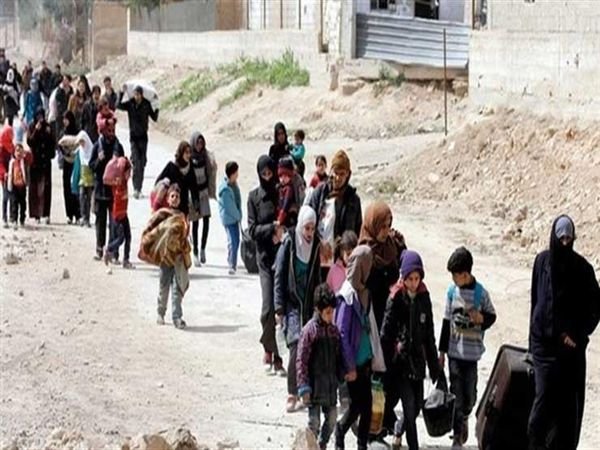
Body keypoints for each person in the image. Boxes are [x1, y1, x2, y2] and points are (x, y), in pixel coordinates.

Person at [528, 215, 600, 450]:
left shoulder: (582, 269)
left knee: (567, 411)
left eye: (569, 239)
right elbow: (535, 302)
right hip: (543, 347)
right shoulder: (542, 262)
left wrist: (577, 335)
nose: (565, 244)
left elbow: (595, 308)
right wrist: (531, 345)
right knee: (541, 405)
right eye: (561, 239)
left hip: (569, 353)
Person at [380, 250, 440, 450]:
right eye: (410, 279)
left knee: (415, 408)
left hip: (418, 362)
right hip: (401, 364)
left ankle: (398, 430)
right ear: (404, 278)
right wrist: (382, 364)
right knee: (409, 406)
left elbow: (429, 336)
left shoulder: (424, 297)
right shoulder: (396, 297)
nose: (414, 283)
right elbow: (386, 334)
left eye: (417, 278)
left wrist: (435, 368)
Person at [438, 246, 497, 450]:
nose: (454, 280)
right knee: (456, 394)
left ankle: (465, 417)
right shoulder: (452, 292)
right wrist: (442, 353)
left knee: (470, 395)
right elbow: (446, 322)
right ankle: (456, 435)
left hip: (472, 355)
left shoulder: (480, 294)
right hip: (455, 353)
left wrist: (481, 318)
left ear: (465, 274)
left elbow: (492, 316)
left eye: (456, 276)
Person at [335, 245, 386, 450]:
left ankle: (361, 444)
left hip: (365, 360)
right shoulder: (347, 297)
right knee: (359, 405)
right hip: (353, 364)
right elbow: (342, 334)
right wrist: (349, 367)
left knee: (366, 407)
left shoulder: (363, 292)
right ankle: (341, 430)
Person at [274, 205, 321, 412]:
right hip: (292, 304)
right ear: (301, 226)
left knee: (309, 347)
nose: (309, 233)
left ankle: (306, 391)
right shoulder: (290, 243)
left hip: (309, 305)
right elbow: (279, 275)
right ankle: (292, 392)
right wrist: (278, 308)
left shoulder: (317, 245)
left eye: (312, 228)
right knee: (295, 346)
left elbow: (318, 276)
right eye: (306, 228)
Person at [248, 155, 285, 375]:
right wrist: (271, 228)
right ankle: (268, 348)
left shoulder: (281, 194)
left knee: (280, 308)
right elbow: (252, 230)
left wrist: (282, 231)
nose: (268, 177)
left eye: (270, 173)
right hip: (264, 259)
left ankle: (278, 356)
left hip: (281, 257)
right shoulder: (253, 197)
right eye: (264, 174)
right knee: (267, 309)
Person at [296, 283, 345, 450]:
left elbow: (338, 357)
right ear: (318, 310)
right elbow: (301, 360)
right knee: (314, 422)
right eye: (327, 312)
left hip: (330, 387)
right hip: (314, 388)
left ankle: (321, 445)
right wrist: (303, 386)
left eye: (332, 312)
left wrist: (341, 375)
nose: (331, 316)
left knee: (332, 419)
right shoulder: (309, 331)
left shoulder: (334, 331)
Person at [140, 184, 191, 329]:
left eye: (177, 197)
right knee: (164, 287)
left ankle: (177, 317)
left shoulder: (182, 217)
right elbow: (152, 230)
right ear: (168, 199)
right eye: (172, 196)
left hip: (178, 258)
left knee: (177, 289)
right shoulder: (162, 215)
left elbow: (185, 236)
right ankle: (160, 313)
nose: (175, 199)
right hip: (165, 258)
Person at [308, 150, 362, 271]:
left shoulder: (353, 200)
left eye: (342, 174)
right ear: (331, 171)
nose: (338, 178)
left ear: (348, 174)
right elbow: (309, 220)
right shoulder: (320, 193)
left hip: (343, 260)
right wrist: (319, 243)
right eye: (336, 173)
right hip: (319, 256)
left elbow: (357, 229)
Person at [359, 201, 405, 330]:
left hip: (392, 314)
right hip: (370, 316)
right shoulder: (363, 253)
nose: (386, 231)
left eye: (388, 226)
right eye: (382, 226)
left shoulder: (393, 245)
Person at [89, 119, 125, 260]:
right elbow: (91, 166)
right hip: (100, 191)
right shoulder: (97, 146)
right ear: (103, 131)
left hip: (114, 192)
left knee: (115, 223)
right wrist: (99, 160)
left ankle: (113, 252)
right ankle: (99, 249)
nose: (112, 133)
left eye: (113, 130)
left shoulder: (118, 147)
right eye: (109, 130)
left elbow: (124, 165)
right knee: (100, 223)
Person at [118, 85, 159, 198]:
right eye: (135, 94)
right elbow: (119, 105)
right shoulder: (130, 104)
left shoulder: (146, 104)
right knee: (136, 162)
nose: (137, 97)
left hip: (143, 137)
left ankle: (139, 187)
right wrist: (121, 93)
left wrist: (156, 104)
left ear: (142, 95)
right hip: (134, 138)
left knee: (142, 162)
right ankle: (136, 188)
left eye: (138, 94)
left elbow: (154, 117)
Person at [189, 131, 216, 266]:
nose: (199, 145)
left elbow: (210, 172)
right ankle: (195, 252)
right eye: (197, 143)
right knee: (195, 223)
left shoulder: (205, 156)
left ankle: (203, 249)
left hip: (204, 192)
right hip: (194, 194)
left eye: (201, 143)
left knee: (206, 220)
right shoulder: (189, 157)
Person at [104, 156, 134, 269]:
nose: (129, 175)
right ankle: (109, 249)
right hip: (118, 216)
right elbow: (117, 201)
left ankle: (126, 260)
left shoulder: (124, 182)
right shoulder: (119, 184)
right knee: (121, 239)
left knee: (128, 237)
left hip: (123, 214)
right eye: (128, 172)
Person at [27, 108, 55, 224]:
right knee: (35, 189)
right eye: (38, 116)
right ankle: (36, 215)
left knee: (46, 189)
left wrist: (49, 134)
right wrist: (36, 131)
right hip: (35, 162)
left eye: (42, 116)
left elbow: (53, 143)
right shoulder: (32, 126)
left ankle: (46, 214)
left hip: (45, 162)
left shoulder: (48, 127)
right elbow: (30, 141)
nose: (40, 118)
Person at [155, 141, 199, 217]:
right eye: (186, 152)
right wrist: (165, 185)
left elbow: (194, 187)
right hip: (171, 205)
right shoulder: (172, 166)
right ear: (181, 153)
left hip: (184, 205)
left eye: (190, 152)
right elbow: (158, 182)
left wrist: (196, 205)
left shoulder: (190, 167)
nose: (188, 155)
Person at [218, 161, 242, 275]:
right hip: (229, 219)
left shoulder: (234, 185)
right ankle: (232, 264)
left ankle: (232, 261)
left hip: (235, 218)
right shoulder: (225, 190)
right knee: (232, 241)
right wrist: (238, 216)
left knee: (236, 240)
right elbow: (230, 207)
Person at [57, 111, 81, 224]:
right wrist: (65, 153)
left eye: (66, 119)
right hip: (66, 163)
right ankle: (69, 215)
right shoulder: (63, 132)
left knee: (75, 187)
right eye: (64, 119)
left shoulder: (77, 131)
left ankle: (78, 214)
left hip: (75, 163)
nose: (64, 121)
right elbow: (59, 146)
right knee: (67, 188)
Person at [71, 130, 94, 227]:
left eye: (82, 142)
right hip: (82, 177)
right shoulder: (80, 151)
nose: (81, 144)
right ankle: (83, 216)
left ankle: (87, 219)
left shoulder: (91, 150)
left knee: (88, 199)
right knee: (81, 197)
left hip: (90, 179)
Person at [326, 230, 358, 295]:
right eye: (348, 254)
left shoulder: (356, 268)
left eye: (354, 255)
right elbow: (339, 296)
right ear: (342, 252)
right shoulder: (335, 270)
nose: (351, 258)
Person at [7, 144, 30, 229]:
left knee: (23, 204)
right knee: (14, 203)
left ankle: (22, 219)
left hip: (22, 186)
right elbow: (10, 174)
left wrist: (27, 182)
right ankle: (14, 220)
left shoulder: (24, 162)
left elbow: (27, 172)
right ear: (14, 152)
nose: (19, 153)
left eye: (20, 151)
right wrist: (9, 185)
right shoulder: (12, 162)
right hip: (14, 186)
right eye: (17, 151)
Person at [276, 156, 298, 228]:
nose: (282, 179)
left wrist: (279, 220)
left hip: (287, 220)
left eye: (285, 176)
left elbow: (286, 205)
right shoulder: (280, 187)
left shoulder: (288, 189)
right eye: (281, 176)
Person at [0, 124, 14, 228]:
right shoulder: (1, 148)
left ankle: (12, 216)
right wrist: (4, 173)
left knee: (12, 195)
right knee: (5, 196)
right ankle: (4, 217)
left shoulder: (12, 146)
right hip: (4, 176)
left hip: (12, 175)